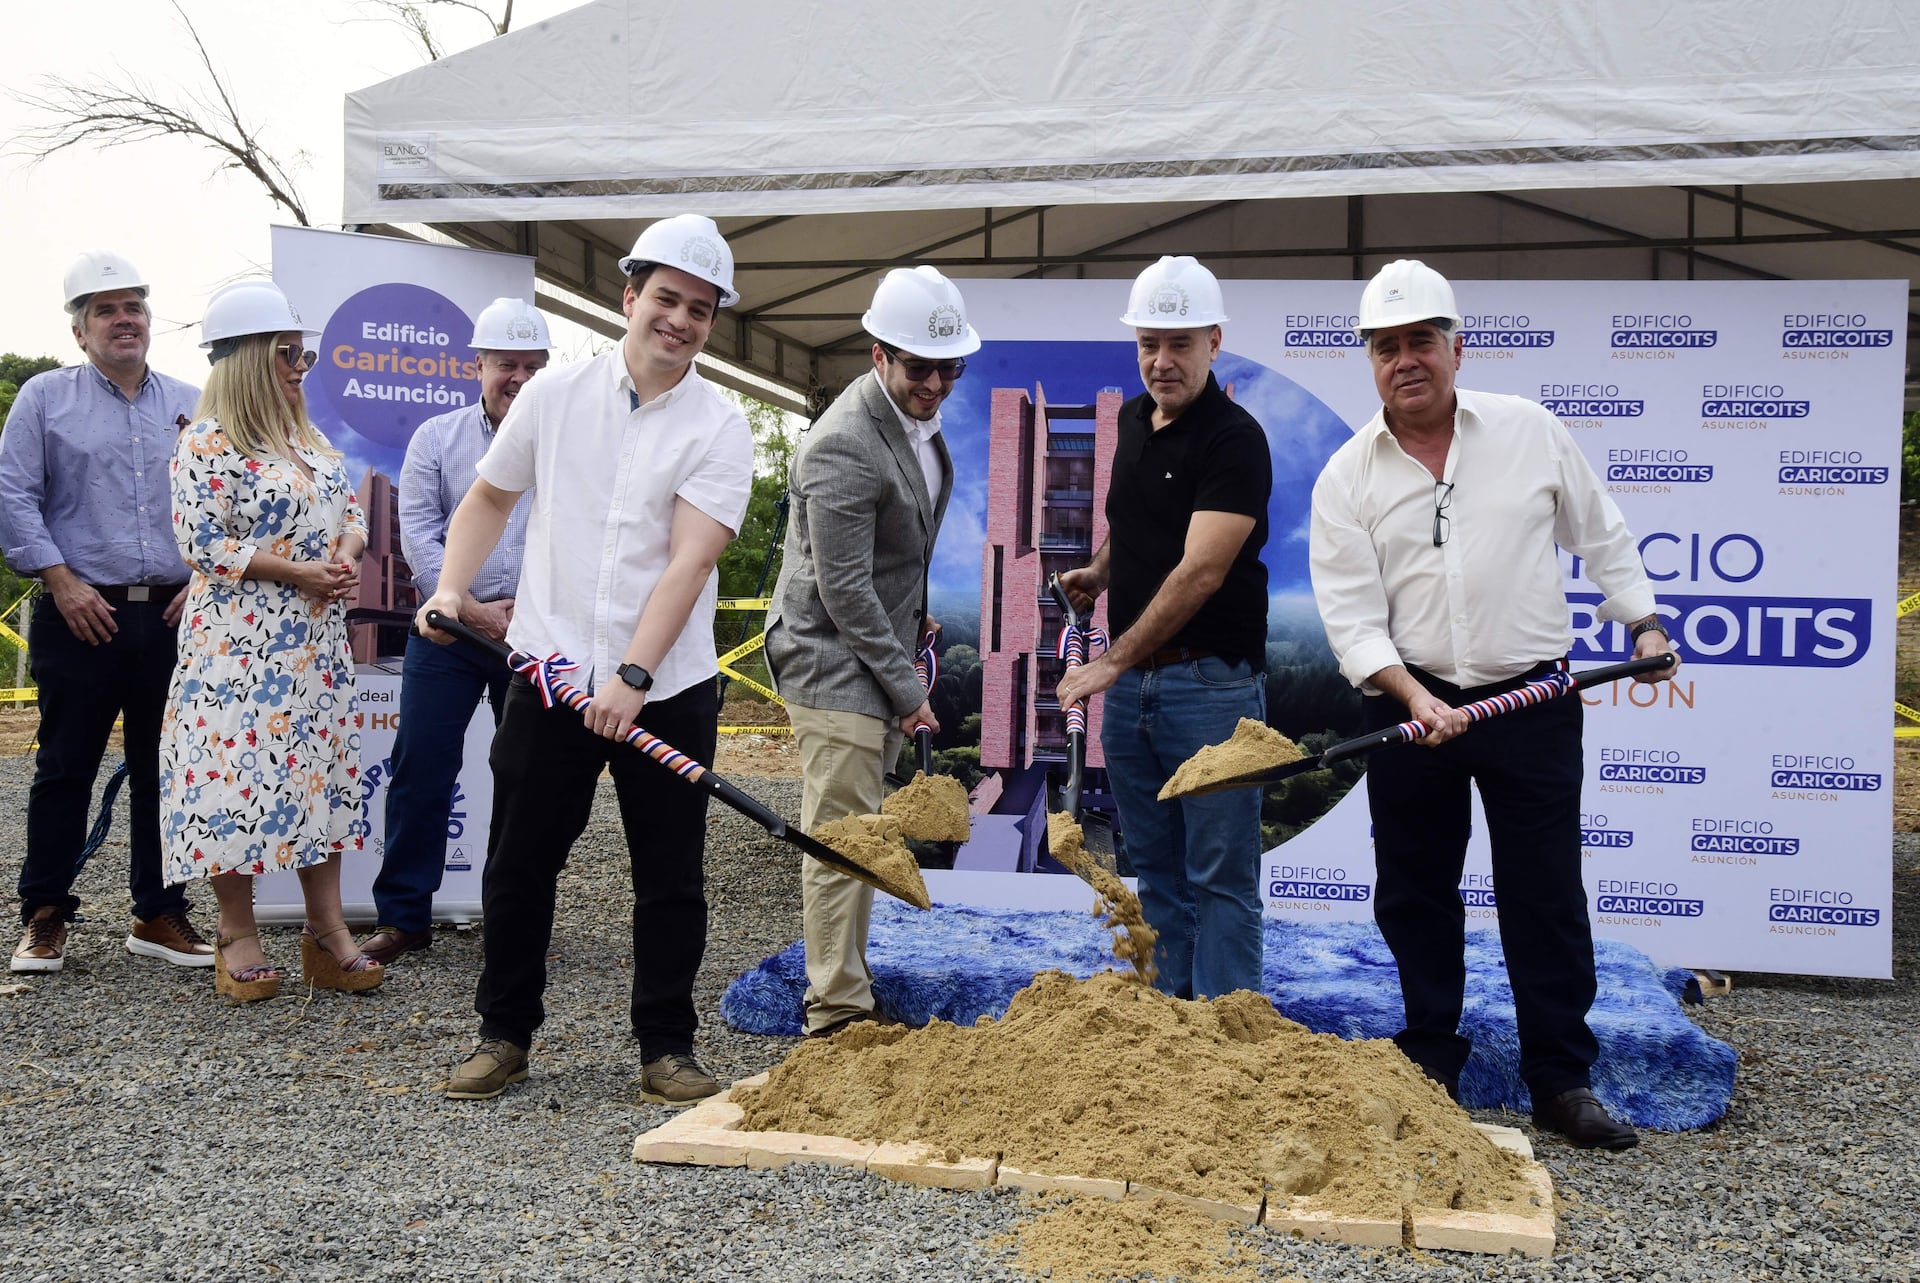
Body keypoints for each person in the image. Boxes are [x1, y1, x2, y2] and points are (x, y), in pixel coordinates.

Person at [1308, 259, 1680, 1150]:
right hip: (1409, 712)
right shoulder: (1346, 477)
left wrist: (1643, 622)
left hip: (1531, 702)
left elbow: (1603, 532)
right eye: (1387, 345)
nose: (1407, 359)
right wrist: (1413, 696)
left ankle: (1561, 1076)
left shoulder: (1530, 431)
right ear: (1369, 361)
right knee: (1416, 893)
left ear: (1456, 347)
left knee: (1544, 891)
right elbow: (1353, 621)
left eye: (1422, 341)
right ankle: (1432, 1061)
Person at [415, 215, 752, 1105]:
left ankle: (666, 1048)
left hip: (667, 684)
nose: (680, 321)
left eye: (701, 309)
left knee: (670, 875)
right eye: (668, 299)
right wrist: (451, 588)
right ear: (630, 296)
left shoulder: (721, 426)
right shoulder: (552, 397)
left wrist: (633, 679)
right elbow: (489, 497)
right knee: (519, 861)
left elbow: (689, 560)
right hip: (551, 674)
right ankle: (504, 1034)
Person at [765, 267, 975, 1038]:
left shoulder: (915, 426)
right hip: (831, 660)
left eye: (951, 367)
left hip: (871, 645)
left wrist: (912, 622)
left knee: (859, 829)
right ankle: (835, 1011)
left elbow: (892, 564)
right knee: (842, 837)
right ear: (878, 353)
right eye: (920, 367)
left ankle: (847, 986)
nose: (937, 383)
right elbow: (844, 589)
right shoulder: (843, 444)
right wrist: (907, 686)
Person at [1055, 255, 1272, 1001]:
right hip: (1139, 693)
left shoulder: (1234, 440)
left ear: (1214, 341)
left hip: (1211, 689)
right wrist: (1101, 571)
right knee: (1159, 873)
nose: (1161, 361)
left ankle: (1232, 1044)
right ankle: (1175, 1033)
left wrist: (1109, 662)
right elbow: (1140, 525)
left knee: (1221, 879)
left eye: (1179, 344)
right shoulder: (1129, 420)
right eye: (1148, 342)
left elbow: (1201, 570)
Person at [160, 279, 383, 1001]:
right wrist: (300, 572)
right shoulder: (206, 441)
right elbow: (201, 542)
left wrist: (344, 554)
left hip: (314, 647)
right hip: (237, 651)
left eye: (305, 353)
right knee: (237, 782)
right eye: (289, 352)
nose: (300, 364)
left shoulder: (309, 438)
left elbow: (352, 510)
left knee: (318, 777)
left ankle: (326, 930)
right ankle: (236, 932)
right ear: (249, 357)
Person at [1, 251, 216, 975]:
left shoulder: (195, 401)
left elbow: (222, 503)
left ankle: (159, 912)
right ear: (79, 330)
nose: (124, 319)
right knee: (65, 765)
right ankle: (44, 913)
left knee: (170, 768)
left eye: (134, 306)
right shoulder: (43, 400)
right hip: (79, 611)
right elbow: (14, 496)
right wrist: (60, 580)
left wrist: (206, 579)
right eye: (105, 309)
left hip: (173, 615)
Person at [358, 299, 550, 966]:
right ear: (478, 365)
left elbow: (580, 536)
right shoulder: (436, 440)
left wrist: (521, 610)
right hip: (446, 630)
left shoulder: (567, 442)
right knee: (420, 767)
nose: (519, 377)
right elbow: (420, 535)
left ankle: (515, 916)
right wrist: (472, 607)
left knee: (529, 777)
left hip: (534, 630)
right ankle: (404, 916)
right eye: (506, 363)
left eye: (532, 365)